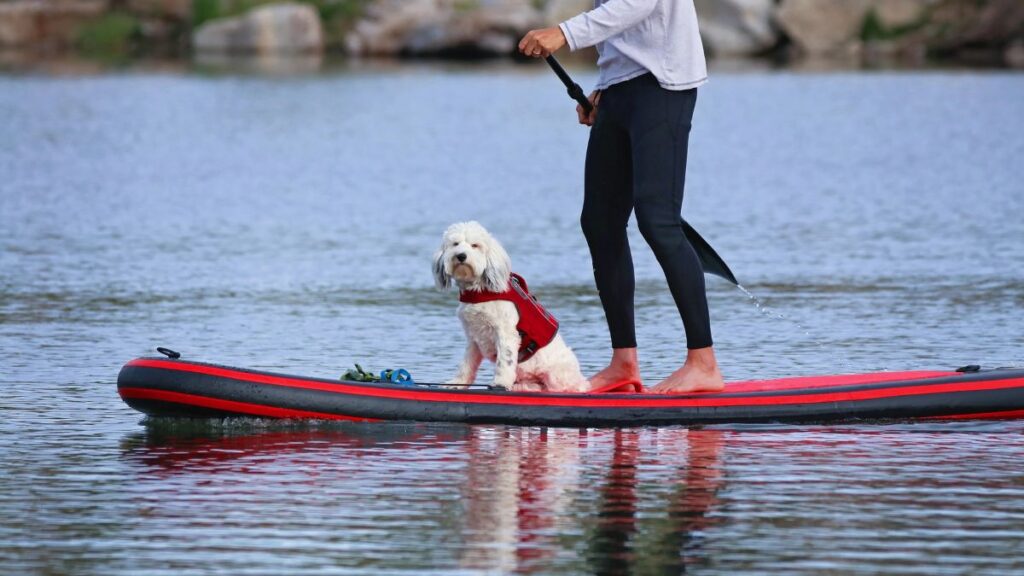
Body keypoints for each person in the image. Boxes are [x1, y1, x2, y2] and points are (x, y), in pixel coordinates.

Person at [518, 0, 724, 393]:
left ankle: (703, 363)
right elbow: (621, 22)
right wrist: (607, 85)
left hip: (663, 87)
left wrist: (564, 33)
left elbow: (638, 3)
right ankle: (623, 364)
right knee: (600, 222)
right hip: (622, 88)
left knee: (657, 220)